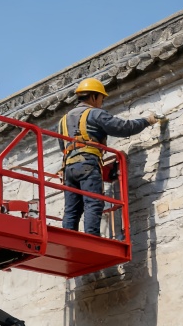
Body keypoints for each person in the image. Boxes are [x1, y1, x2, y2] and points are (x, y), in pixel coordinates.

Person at [58, 78, 159, 236]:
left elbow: (62, 147)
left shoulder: (63, 121)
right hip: (87, 165)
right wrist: (146, 121)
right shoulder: (94, 113)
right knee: (93, 202)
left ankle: (66, 238)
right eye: (101, 99)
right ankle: (92, 238)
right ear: (93, 97)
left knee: (72, 209)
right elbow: (123, 128)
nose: (101, 103)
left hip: (68, 169)